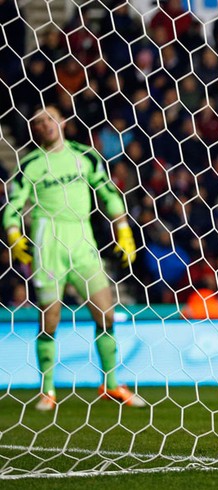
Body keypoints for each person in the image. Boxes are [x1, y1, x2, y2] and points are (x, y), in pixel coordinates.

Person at [3, 105, 145, 411]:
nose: (45, 124)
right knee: (50, 319)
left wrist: (124, 231)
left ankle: (110, 384)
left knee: (106, 315)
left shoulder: (85, 156)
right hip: (48, 242)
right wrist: (13, 233)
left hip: (83, 241)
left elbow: (108, 192)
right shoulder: (30, 164)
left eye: (50, 117)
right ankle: (48, 390)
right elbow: (13, 204)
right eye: (38, 121)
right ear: (34, 129)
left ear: (63, 121)